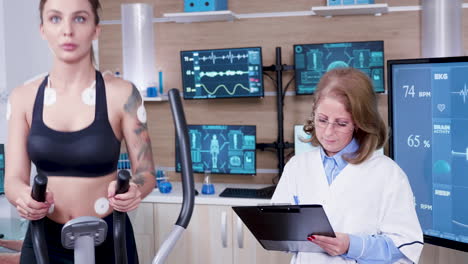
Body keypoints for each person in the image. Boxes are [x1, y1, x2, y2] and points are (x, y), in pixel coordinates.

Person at [4, 0, 156, 263]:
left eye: (80, 18)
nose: (67, 30)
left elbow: (146, 173)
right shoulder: (22, 98)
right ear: (43, 29)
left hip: (111, 239)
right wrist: (23, 198)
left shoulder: (123, 94)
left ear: (96, 29)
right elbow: (14, 180)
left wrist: (134, 189)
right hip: (44, 241)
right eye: (55, 19)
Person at [271, 68, 424, 264]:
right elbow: (280, 233)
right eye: (322, 120)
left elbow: (405, 247)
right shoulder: (298, 166)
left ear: (359, 123)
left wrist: (352, 245)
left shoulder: (387, 174)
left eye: (341, 123)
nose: (328, 132)